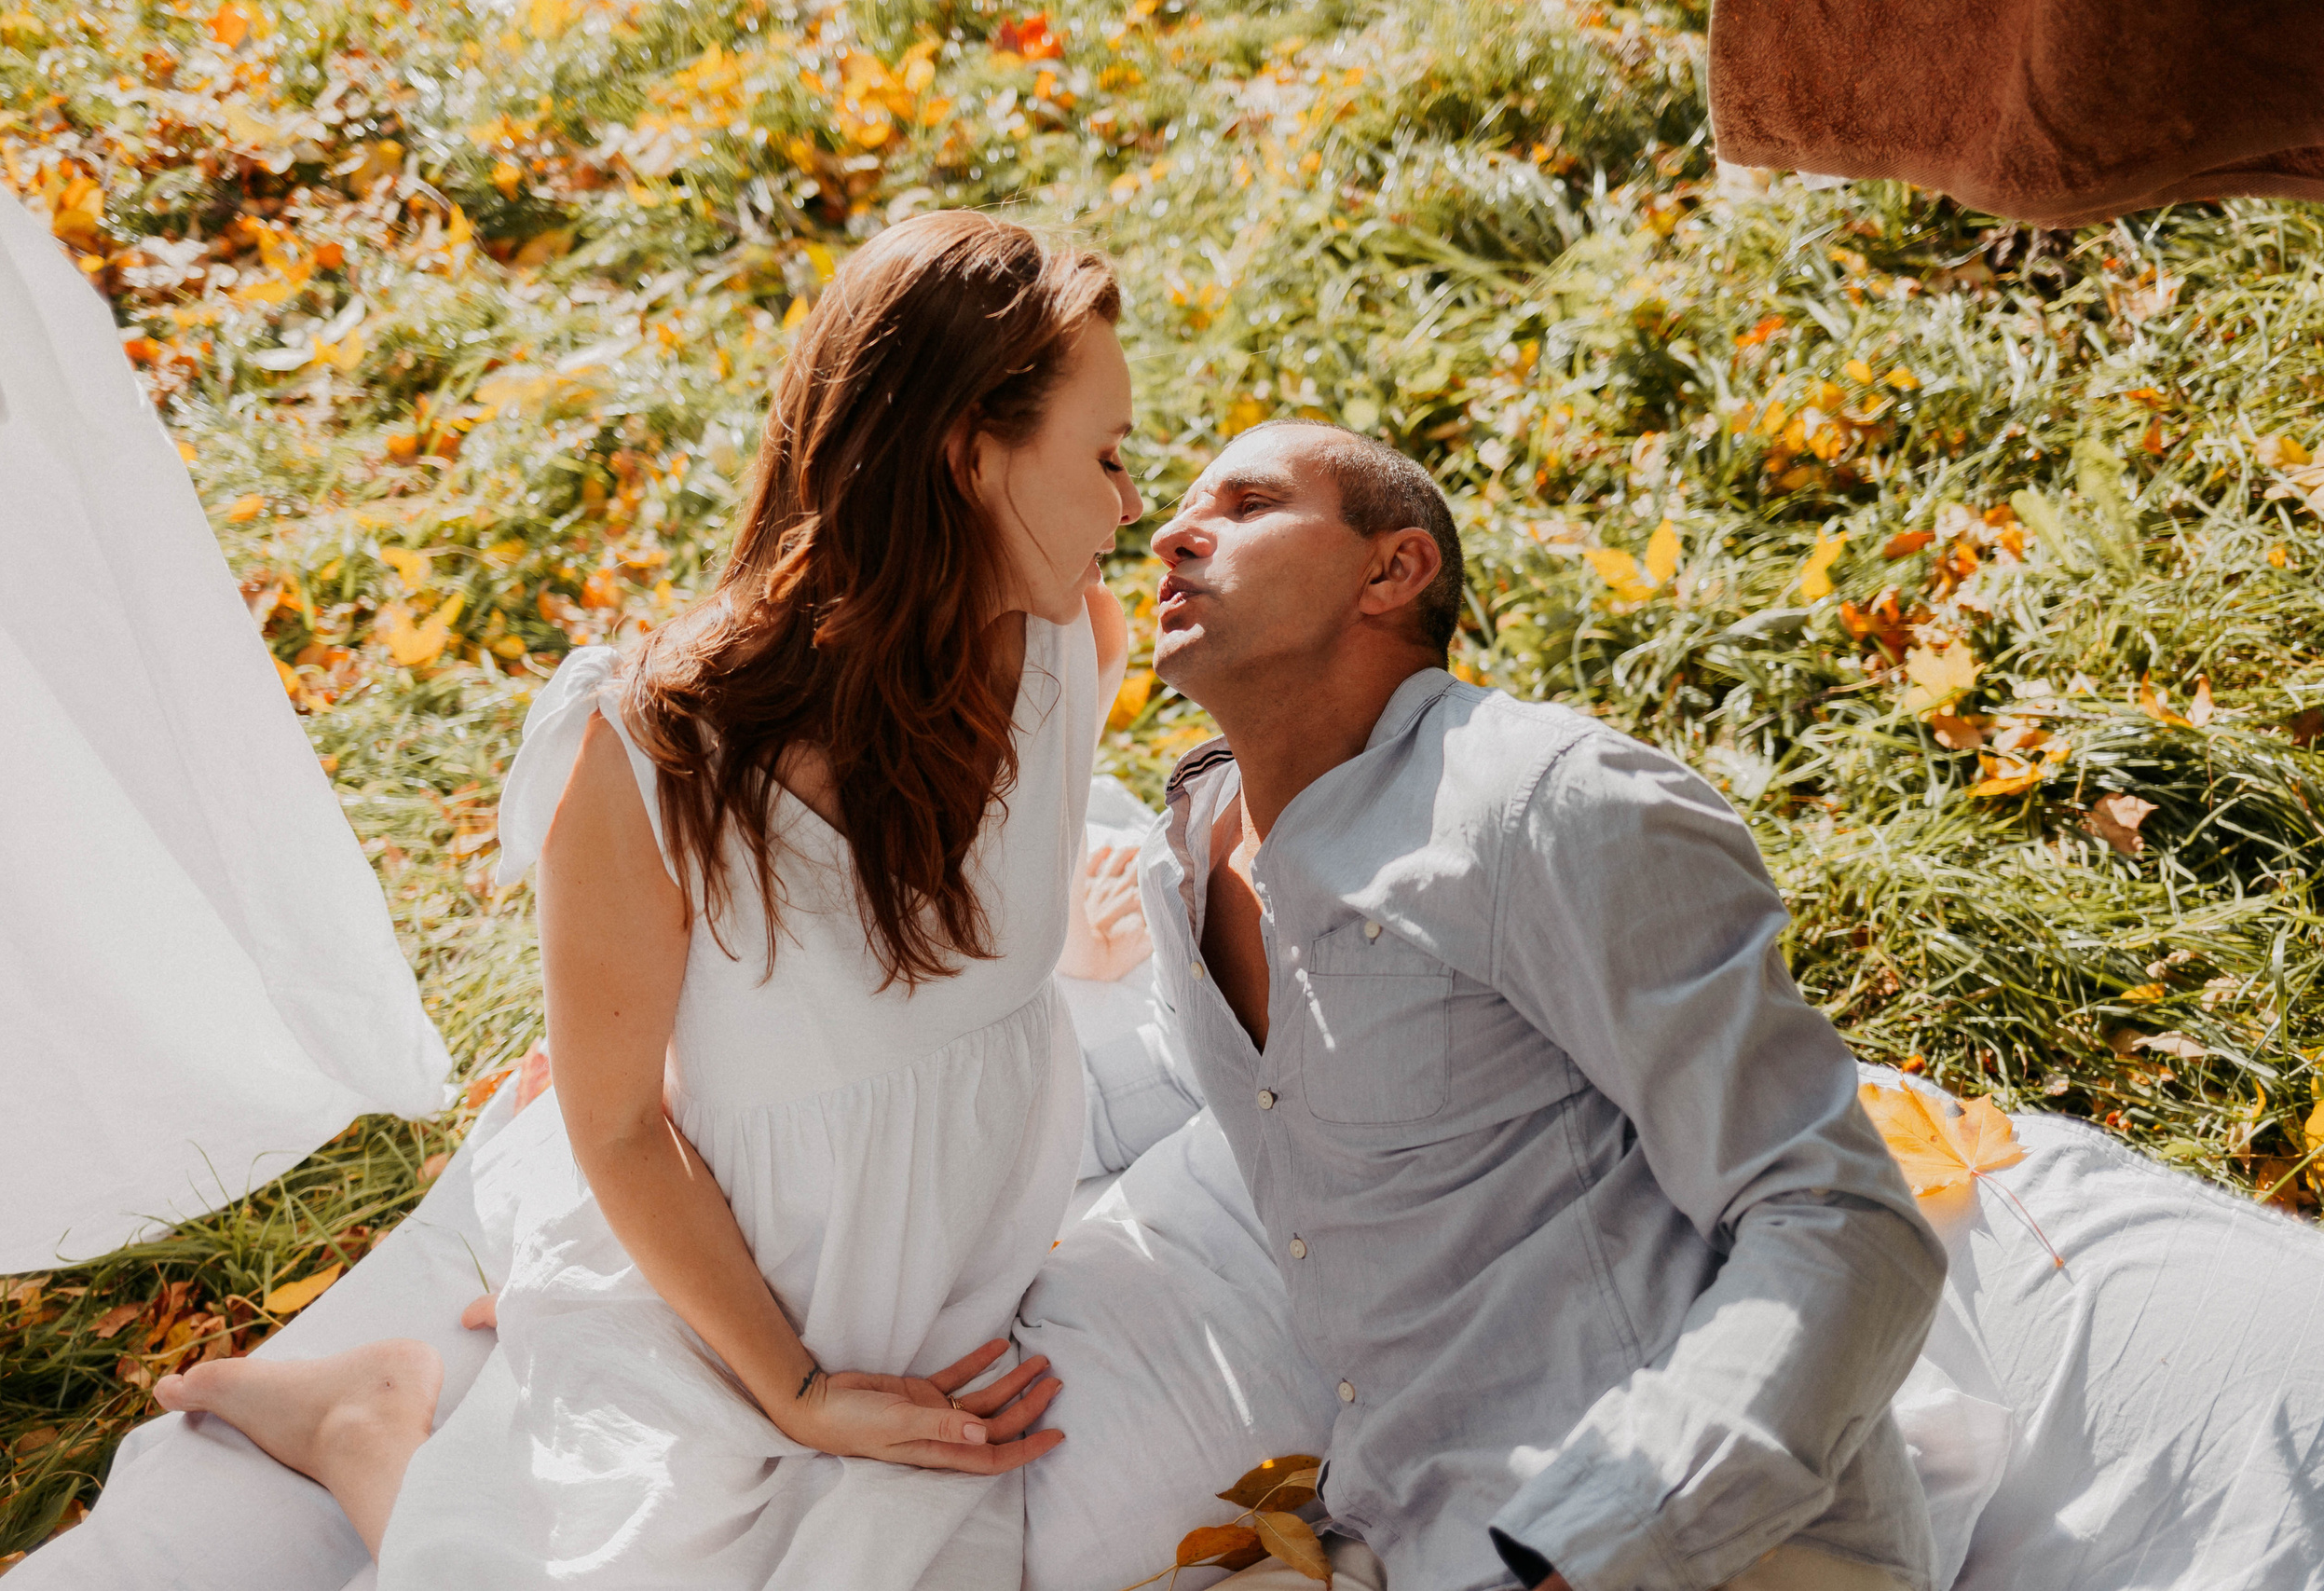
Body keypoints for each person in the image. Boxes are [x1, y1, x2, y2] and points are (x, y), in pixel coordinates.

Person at [128, 210, 1144, 1588]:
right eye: (1104, 456)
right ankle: (370, 1420)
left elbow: (974, 922)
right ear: (971, 459)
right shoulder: (656, 755)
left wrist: (1065, 940)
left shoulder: (1071, 635)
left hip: (955, 1287)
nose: (1130, 503)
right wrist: (792, 1385)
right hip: (739, 1300)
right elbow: (614, 1117)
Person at [1128, 419, 1949, 1591]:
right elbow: (1152, 1084)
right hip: (1394, 1532)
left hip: (1692, 1547)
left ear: (1391, 570)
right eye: (1181, 504)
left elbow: (1844, 1225)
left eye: (1250, 505)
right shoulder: (1178, 862)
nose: (1170, 530)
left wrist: (1594, 1548)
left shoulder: (1542, 801)